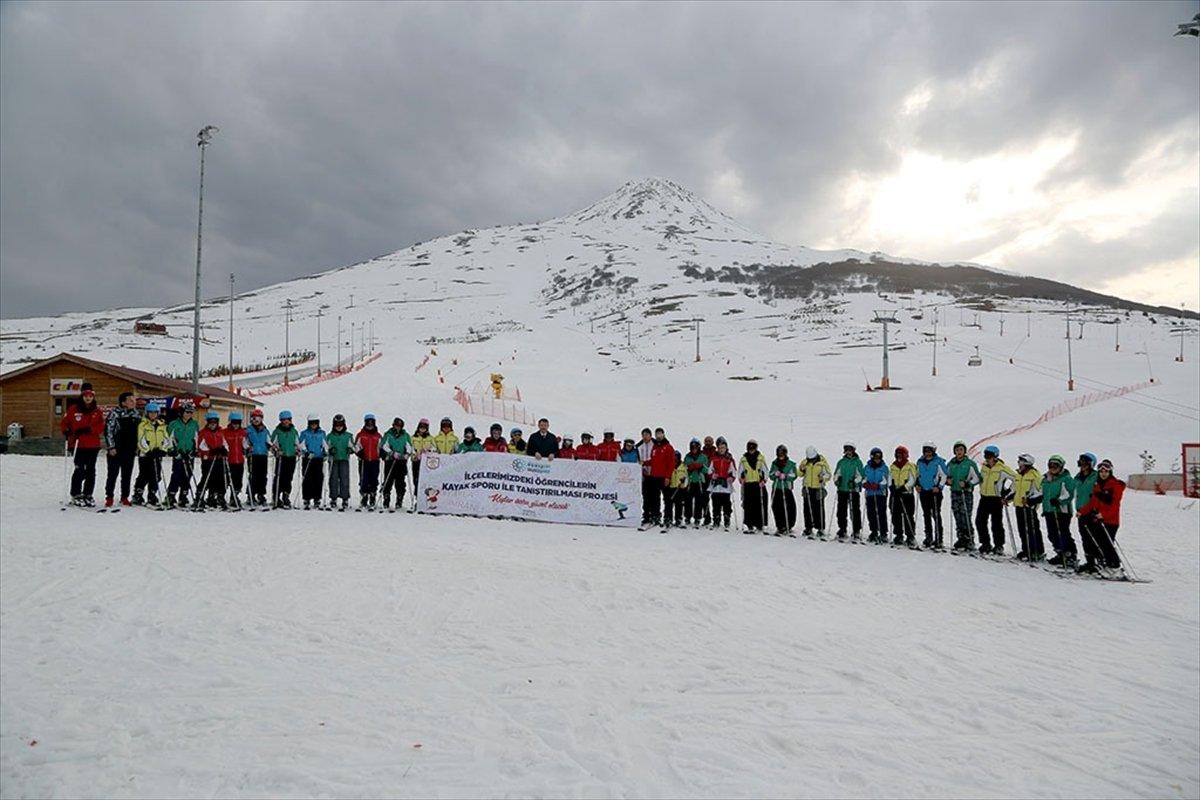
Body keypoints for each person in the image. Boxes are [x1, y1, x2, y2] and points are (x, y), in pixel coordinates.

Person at [1076, 458, 1126, 574]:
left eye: (1106, 471)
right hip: (1098, 520)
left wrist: (1103, 515)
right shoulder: (1098, 485)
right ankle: (1104, 564)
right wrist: (1082, 511)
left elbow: (1114, 505)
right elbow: (1092, 502)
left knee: (1107, 543)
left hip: (1110, 521)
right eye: (1101, 471)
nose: (1103, 474)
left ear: (1110, 472)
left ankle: (1115, 566)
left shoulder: (1115, 486)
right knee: (1099, 543)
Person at [61, 383, 105, 506]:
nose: (88, 398)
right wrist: (66, 431)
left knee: (91, 470)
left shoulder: (97, 411)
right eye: (86, 395)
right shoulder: (73, 409)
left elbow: (101, 426)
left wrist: (89, 430)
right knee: (79, 469)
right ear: (82, 396)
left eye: (90, 396)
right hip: (77, 444)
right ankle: (75, 493)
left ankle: (88, 494)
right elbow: (65, 423)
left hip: (92, 445)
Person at [976, 445, 1017, 554]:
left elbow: (1016, 479)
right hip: (984, 498)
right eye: (986, 455)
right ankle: (985, 543)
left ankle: (999, 545)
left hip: (996, 499)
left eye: (989, 456)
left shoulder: (1002, 468)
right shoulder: (984, 467)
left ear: (995, 456)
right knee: (980, 521)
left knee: (996, 523)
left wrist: (1008, 492)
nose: (987, 458)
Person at [103, 391, 140, 507]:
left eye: (134, 400)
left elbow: (139, 432)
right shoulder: (114, 413)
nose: (133, 402)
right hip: (116, 449)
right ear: (123, 402)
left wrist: (138, 447)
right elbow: (108, 431)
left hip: (130, 449)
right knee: (112, 474)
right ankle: (109, 497)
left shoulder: (136, 414)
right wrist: (111, 446)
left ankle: (125, 496)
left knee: (127, 474)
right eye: (130, 400)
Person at [1041, 454, 1077, 567]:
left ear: (1061, 466)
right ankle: (1060, 553)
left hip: (1062, 511)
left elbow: (1070, 494)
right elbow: (1043, 494)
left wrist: (1059, 500)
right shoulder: (1046, 479)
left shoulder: (1066, 479)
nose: (1052, 467)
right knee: (1052, 534)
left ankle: (1070, 555)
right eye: (1050, 465)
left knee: (1063, 533)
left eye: (1055, 465)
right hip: (1049, 510)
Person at [945, 441, 981, 552]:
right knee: (957, 514)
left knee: (965, 515)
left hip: (965, 492)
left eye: (961, 450)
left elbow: (977, 478)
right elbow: (946, 475)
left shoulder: (970, 464)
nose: (959, 452)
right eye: (957, 450)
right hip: (955, 491)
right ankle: (961, 538)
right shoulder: (951, 463)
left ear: (964, 451)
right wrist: (948, 481)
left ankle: (969, 539)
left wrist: (967, 484)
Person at [132, 402, 169, 506]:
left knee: (156, 475)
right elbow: (141, 439)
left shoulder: (162, 425)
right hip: (145, 455)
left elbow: (166, 438)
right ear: (146, 413)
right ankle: (138, 494)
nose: (153, 415)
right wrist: (147, 450)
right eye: (150, 413)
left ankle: (152, 494)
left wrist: (163, 449)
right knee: (144, 475)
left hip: (157, 454)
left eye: (155, 413)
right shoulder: (142, 425)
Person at [915, 442, 948, 550]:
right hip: (924, 491)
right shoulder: (920, 462)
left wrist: (939, 487)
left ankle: (939, 539)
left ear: (933, 451)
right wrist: (917, 485)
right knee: (926, 514)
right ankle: (928, 537)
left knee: (935, 514)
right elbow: (917, 475)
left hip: (934, 492)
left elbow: (943, 475)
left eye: (929, 451)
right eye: (925, 451)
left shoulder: (938, 462)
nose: (927, 453)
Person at [1070, 453, 1100, 567]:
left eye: (1085, 463)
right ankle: (1090, 562)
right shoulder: (1077, 477)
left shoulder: (1096, 476)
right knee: (1085, 538)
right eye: (1081, 463)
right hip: (1081, 511)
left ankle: (1099, 561)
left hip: (1093, 512)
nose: (1082, 465)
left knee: (1094, 538)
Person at [1013, 453, 1044, 561]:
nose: (1019, 464)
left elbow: (1040, 493)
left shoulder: (1035, 475)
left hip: (1029, 507)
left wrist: (1031, 501)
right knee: (1022, 529)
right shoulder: (1018, 474)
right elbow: (1014, 490)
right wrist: (1007, 497)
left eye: (1021, 462)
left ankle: (1037, 551)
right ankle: (1026, 549)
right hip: (1019, 506)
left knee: (1032, 529)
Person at [166, 405, 199, 508]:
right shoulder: (174, 424)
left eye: (191, 412)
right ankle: (171, 495)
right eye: (187, 412)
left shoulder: (194, 424)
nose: (189, 414)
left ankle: (183, 495)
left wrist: (194, 451)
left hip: (189, 453)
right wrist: (172, 450)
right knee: (176, 475)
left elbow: (196, 438)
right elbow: (169, 438)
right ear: (181, 412)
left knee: (187, 474)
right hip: (178, 453)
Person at [196, 410, 228, 509]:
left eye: (214, 422)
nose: (212, 424)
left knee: (219, 478)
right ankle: (199, 496)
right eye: (211, 422)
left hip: (219, 459)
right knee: (207, 477)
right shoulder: (203, 433)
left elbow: (225, 443)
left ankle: (215, 496)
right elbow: (201, 446)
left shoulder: (220, 432)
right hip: (208, 459)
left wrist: (224, 450)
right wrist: (210, 451)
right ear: (208, 422)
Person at [833, 443, 865, 541]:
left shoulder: (857, 462)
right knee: (841, 511)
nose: (848, 452)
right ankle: (842, 529)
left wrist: (855, 482)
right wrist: (837, 480)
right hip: (842, 489)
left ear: (853, 451)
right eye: (846, 450)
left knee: (854, 510)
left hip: (853, 490)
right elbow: (836, 474)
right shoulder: (841, 462)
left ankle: (856, 530)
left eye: (850, 450)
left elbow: (861, 476)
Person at [799, 445, 832, 538]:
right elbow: (799, 474)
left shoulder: (822, 463)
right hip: (807, 488)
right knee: (807, 508)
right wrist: (801, 469)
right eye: (810, 459)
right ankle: (808, 527)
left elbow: (828, 474)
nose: (811, 460)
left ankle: (820, 528)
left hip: (818, 488)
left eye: (813, 458)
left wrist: (823, 478)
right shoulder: (805, 462)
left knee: (819, 508)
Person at [889, 446, 918, 546]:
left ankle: (910, 536)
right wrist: (892, 487)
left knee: (908, 515)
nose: (899, 457)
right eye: (897, 455)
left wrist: (904, 488)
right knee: (895, 515)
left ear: (905, 455)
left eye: (901, 455)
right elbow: (890, 478)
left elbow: (912, 479)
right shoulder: (893, 466)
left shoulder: (910, 466)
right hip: (896, 494)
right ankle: (898, 535)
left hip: (906, 494)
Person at [269, 410, 299, 508]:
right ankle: (276, 496)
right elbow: (271, 444)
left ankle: (286, 496)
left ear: (290, 421)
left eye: (287, 420)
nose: (286, 422)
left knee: (288, 477)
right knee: (279, 477)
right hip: (281, 457)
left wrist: (298, 450)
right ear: (281, 421)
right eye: (283, 420)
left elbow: (297, 444)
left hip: (291, 457)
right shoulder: (277, 432)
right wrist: (276, 451)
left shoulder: (294, 431)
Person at [381, 418, 412, 509]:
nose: (398, 428)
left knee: (400, 482)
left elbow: (409, 446)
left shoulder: (405, 435)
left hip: (401, 461)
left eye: (399, 426)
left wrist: (406, 454)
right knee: (388, 480)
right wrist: (391, 453)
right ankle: (386, 499)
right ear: (393, 425)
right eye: (396, 425)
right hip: (390, 460)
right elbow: (384, 446)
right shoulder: (388, 434)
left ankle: (399, 499)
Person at [298, 414, 327, 510]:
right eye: (311, 423)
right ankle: (306, 498)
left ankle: (317, 498)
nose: (313, 425)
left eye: (315, 423)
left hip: (318, 459)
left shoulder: (322, 433)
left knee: (318, 478)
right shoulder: (305, 433)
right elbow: (301, 445)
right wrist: (306, 453)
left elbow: (325, 444)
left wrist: (325, 452)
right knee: (307, 478)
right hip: (308, 459)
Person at [739, 440, 768, 534]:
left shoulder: (760, 458)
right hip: (748, 484)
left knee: (759, 504)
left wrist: (764, 480)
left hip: (758, 484)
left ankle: (760, 524)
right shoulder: (743, 459)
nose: (751, 450)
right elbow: (740, 471)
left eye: (753, 448)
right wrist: (741, 478)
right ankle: (749, 524)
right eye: (750, 448)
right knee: (748, 504)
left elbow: (765, 470)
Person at [649, 428, 676, 529]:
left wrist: (668, 477)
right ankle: (656, 516)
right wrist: (644, 463)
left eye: (660, 434)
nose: (658, 436)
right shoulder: (655, 447)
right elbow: (653, 461)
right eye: (657, 434)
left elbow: (671, 464)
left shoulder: (668, 447)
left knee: (667, 499)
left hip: (664, 477)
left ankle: (668, 517)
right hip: (654, 477)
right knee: (655, 498)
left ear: (663, 435)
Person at [768, 445, 798, 535]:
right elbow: (771, 474)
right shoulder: (774, 463)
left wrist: (786, 476)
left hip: (786, 488)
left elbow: (794, 475)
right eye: (779, 454)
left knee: (789, 507)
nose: (781, 456)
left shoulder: (790, 464)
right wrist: (775, 474)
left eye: (782, 454)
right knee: (777, 507)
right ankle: (780, 526)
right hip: (777, 488)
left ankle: (789, 525)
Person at [355, 413, 383, 508]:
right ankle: (364, 496)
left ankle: (372, 495)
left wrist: (382, 453)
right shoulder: (361, 435)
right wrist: (359, 452)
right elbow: (356, 446)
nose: (370, 424)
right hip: (364, 460)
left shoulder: (378, 435)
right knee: (364, 478)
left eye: (372, 422)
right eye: (368, 422)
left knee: (373, 478)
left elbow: (381, 446)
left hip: (375, 460)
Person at [326, 414, 353, 511]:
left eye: (340, 424)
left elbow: (352, 446)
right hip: (333, 459)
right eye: (337, 424)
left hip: (344, 459)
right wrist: (330, 450)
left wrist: (350, 449)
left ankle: (345, 498)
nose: (338, 426)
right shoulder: (330, 436)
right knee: (333, 478)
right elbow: (326, 447)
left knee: (344, 479)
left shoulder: (348, 436)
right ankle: (333, 497)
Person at [708, 437, 736, 530]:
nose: (721, 450)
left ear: (726, 448)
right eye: (720, 448)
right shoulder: (714, 458)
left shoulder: (729, 459)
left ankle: (727, 518)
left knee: (726, 503)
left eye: (723, 447)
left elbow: (733, 471)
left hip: (725, 484)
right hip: (716, 484)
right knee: (716, 503)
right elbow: (709, 470)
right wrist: (712, 475)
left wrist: (731, 477)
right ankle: (716, 519)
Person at [862, 447, 889, 544]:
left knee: (881, 512)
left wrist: (879, 486)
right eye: (875, 457)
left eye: (879, 457)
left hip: (880, 494)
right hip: (870, 493)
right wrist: (865, 484)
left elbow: (886, 481)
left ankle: (883, 533)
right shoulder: (867, 467)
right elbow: (863, 478)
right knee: (871, 513)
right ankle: (873, 531)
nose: (877, 459)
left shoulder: (884, 468)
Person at [244, 409, 271, 507]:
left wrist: (271, 446)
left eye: (258, 418)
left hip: (263, 455)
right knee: (253, 475)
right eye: (254, 418)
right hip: (253, 455)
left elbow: (269, 441)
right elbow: (245, 442)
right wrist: (247, 448)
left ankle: (261, 494)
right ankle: (251, 495)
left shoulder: (265, 430)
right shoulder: (248, 430)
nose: (256, 420)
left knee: (263, 475)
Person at [222, 412, 248, 508]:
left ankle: (234, 496)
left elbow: (245, 444)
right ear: (230, 422)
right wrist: (224, 449)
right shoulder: (225, 432)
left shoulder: (243, 432)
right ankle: (221, 497)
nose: (236, 424)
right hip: (229, 460)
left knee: (238, 480)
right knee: (227, 480)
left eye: (238, 422)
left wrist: (247, 448)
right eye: (234, 422)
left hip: (239, 461)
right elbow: (223, 443)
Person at [683, 438, 710, 528]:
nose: (694, 449)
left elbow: (707, 469)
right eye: (692, 447)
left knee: (699, 500)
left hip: (699, 481)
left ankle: (697, 517)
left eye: (696, 447)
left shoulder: (703, 456)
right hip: (690, 480)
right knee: (688, 500)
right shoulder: (688, 456)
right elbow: (684, 468)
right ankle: (687, 516)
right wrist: (689, 468)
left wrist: (701, 466)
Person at [637, 428, 659, 528]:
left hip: (655, 474)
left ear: (650, 435)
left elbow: (657, 459)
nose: (645, 437)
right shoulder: (639, 446)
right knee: (646, 496)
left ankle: (656, 515)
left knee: (655, 496)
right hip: (645, 474)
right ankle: (646, 515)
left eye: (647, 435)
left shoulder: (656, 444)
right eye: (643, 435)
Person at [409, 418, 434, 497]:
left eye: (424, 427)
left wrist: (428, 450)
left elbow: (435, 448)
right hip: (416, 461)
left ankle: (425, 498)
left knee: (425, 481)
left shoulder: (430, 438)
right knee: (416, 481)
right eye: (421, 427)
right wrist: (414, 454)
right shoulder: (413, 438)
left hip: (426, 463)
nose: (422, 429)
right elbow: (410, 448)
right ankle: (417, 498)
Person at [666, 450, 687, 529]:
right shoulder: (669, 465)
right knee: (669, 504)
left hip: (679, 488)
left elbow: (686, 477)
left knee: (679, 504)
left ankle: (678, 519)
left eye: (676, 457)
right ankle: (668, 518)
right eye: (673, 457)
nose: (675, 459)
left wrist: (684, 483)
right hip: (670, 487)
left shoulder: (683, 466)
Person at [701, 435, 718, 525]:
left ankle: (716, 518)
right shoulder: (702, 452)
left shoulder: (715, 452)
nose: (708, 443)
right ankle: (707, 517)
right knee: (704, 498)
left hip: (714, 478)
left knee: (715, 499)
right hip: (704, 478)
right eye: (706, 441)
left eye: (709, 441)